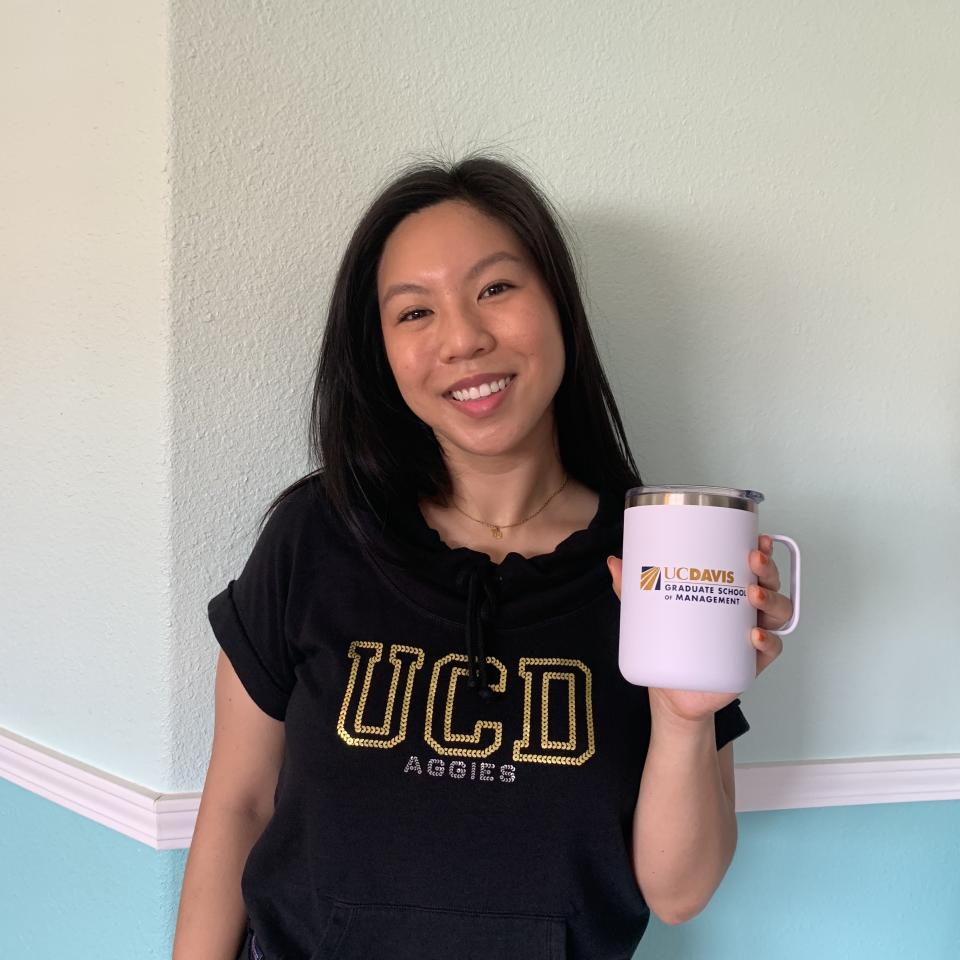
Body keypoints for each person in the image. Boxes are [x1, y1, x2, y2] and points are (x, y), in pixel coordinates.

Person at [172, 154, 793, 960]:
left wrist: (684, 718)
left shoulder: (663, 561)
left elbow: (679, 894)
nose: (463, 339)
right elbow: (239, 807)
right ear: (380, 351)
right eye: (414, 312)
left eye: (496, 288)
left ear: (558, 305)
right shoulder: (314, 535)